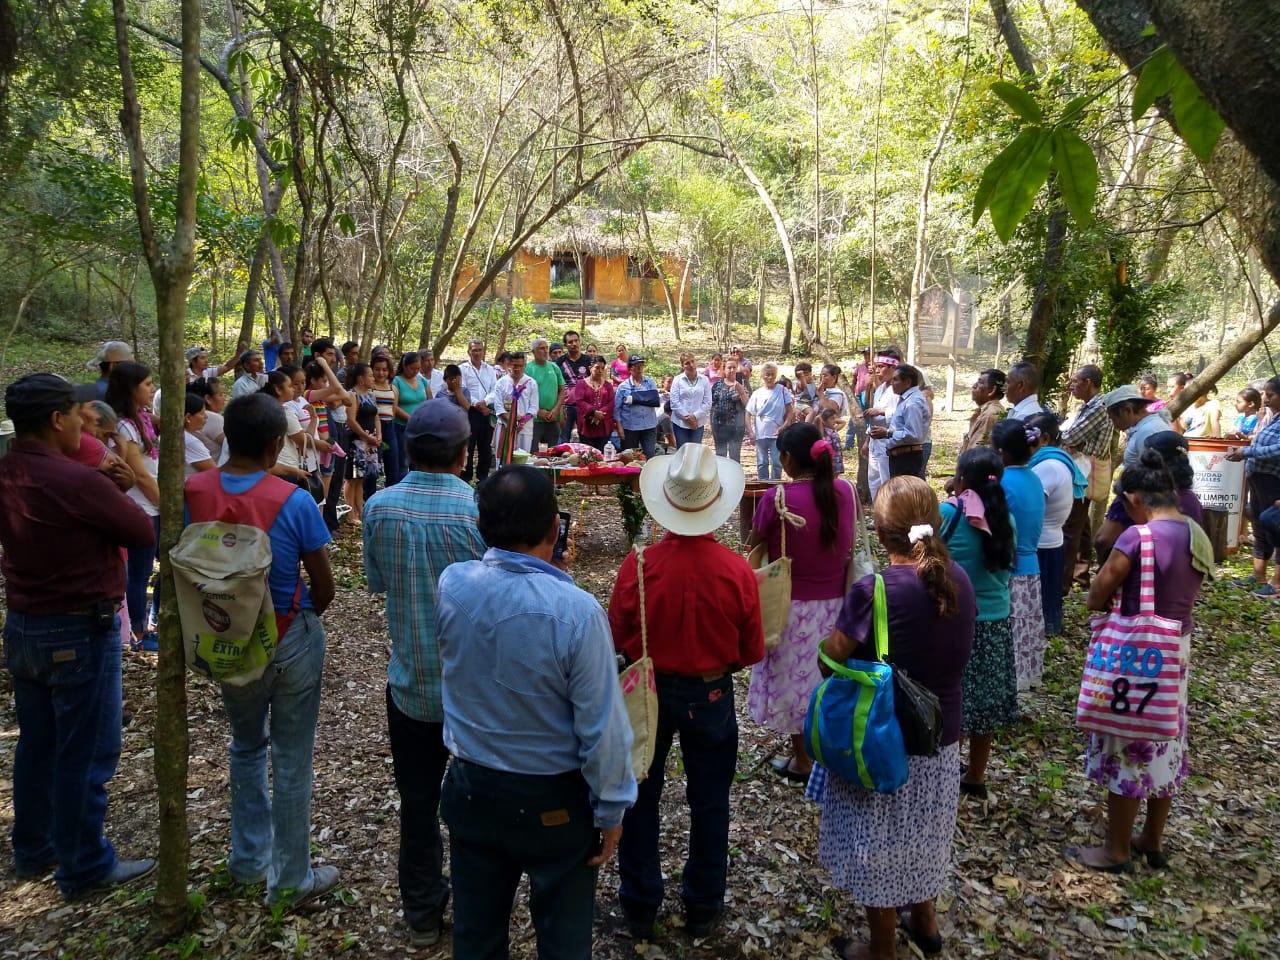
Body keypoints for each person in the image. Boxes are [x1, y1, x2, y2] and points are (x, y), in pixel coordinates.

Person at [436, 466, 637, 959]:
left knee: (476, 935)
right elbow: (601, 727)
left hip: (471, 785)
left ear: (481, 528)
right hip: (552, 797)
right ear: (555, 530)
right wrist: (612, 808)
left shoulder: (452, 583)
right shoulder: (576, 610)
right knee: (564, 939)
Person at [0, 374, 157, 899]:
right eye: (77, 414)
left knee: (38, 741)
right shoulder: (76, 479)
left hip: (23, 625)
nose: (85, 423)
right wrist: (115, 487)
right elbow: (140, 531)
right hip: (77, 627)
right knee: (87, 748)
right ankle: (83, 863)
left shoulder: (8, 471)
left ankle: (34, 848)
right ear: (56, 419)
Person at [808, 476, 974, 960]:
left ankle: (882, 949)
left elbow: (830, 659)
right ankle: (924, 919)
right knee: (925, 831)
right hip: (942, 736)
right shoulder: (957, 578)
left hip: (884, 738)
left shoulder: (874, 590)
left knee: (878, 841)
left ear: (879, 533)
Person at [609, 444, 763, 940]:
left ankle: (639, 903)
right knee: (711, 800)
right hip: (711, 695)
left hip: (649, 691)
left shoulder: (638, 566)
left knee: (640, 795)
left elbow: (617, 636)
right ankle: (702, 903)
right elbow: (750, 648)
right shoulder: (736, 570)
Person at [189, 393, 337, 905]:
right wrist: (306, 616)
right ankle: (292, 877)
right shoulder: (292, 501)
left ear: (226, 435)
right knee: (292, 758)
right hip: (287, 634)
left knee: (245, 744)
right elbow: (324, 583)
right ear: (278, 445)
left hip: (224, 637)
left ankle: (248, 859)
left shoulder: (192, 489)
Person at [363, 399, 485, 949]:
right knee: (477, 800)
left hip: (411, 683)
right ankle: (477, 907)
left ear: (409, 448)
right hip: (476, 690)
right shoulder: (479, 510)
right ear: (464, 455)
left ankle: (421, 909)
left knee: (417, 800)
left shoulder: (380, 508)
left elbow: (377, 582)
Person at [1073, 449, 1204, 872]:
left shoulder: (1137, 537)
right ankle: (1151, 838)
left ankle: (1115, 850)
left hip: (1136, 656)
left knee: (1129, 741)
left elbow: (1096, 596)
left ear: (1134, 498)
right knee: (1167, 736)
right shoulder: (1194, 532)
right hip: (1175, 650)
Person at [748, 422, 855, 780]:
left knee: (796, 685)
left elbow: (755, 542)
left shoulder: (777, 498)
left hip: (792, 606)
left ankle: (803, 760)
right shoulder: (845, 492)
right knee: (830, 679)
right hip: (839, 605)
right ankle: (829, 751)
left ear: (788, 459)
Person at [943, 449, 1017, 800]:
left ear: (960, 480)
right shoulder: (1006, 518)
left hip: (957, 620)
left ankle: (945, 769)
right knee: (984, 704)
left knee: (953, 696)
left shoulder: (948, 513)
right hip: (997, 622)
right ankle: (976, 775)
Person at [105, 361, 161, 651]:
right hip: (140, 506)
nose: (152, 389)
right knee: (138, 575)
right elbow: (138, 474)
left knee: (147, 572)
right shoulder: (124, 425)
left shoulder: (141, 417)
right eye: (148, 384)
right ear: (130, 389)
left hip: (150, 505)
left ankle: (145, 626)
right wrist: (163, 503)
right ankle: (138, 634)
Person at [992, 419, 1046, 692]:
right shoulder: (1034, 478)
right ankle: (1026, 675)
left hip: (1010, 569)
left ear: (1000, 452)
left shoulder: (1003, 483)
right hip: (1032, 567)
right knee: (1026, 629)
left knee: (1009, 628)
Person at [1026, 413, 1085, 637]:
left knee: (1039, 599)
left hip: (1042, 542)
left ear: (1045, 439)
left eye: (1030, 438)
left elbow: (1030, 506)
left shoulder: (1048, 466)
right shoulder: (1053, 461)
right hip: (1049, 539)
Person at [1060, 364, 1116, 592]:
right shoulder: (1086, 407)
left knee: (1071, 526)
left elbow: (1071, 435)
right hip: (1083, 468)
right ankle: (1081, 577)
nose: (1072, 385)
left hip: (1085, 472)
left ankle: (1062, 582)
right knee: (1081, 525)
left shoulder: (1098, 407)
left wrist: (1069, 441)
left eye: (1076, 381)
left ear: (1089, 383)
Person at [1094, 385, 1164, 559]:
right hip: (1132, 496)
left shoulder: (1149, 432)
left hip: (1138, 498)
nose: (1113, 424)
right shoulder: (1143, 428)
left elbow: (1155, 471)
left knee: (1104, 540)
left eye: (1113, 418)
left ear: (1127, 410)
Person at [1226, 375, 1280, 596]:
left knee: (1276, 527)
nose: (1265, 399)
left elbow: (1277, 449)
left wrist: (1246, 452)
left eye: (1270, 395)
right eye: (1265, 394)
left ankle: (1277, 583)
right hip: (1258, 480)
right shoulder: (1272, 418)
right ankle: (1258, 575)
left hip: (1274, 482)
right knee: (1258, 523)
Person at [868, 363, 930, 480]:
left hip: (907, 459)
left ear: (907, 382)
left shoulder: (912, 403)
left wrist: (887, 433)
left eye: (895, 380)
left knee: (904, 495)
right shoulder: (905, 400)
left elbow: (914, 435)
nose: (892, 383)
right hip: (899, 457)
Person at [260, 370, 313, 487]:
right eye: (290, 386)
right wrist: (313, 419)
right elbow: (303, 441)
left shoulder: (260, 409)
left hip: (268, 468)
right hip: (285, 467)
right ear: (278, 390)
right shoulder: (284, 412)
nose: (293, 389)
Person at [862, 349, 903, 499]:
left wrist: (881, 412)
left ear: (893, 368)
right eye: (876, 366)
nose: (877, 370)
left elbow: (902, 416)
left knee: (887, 482)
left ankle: (889, 517)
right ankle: (878, 515)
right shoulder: (879, 389)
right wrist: (867, 440)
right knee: (874, 481)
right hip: (874, 442)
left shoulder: (897, 391)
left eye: (881, 366)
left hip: (888, 442)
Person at [344, 362, 382, 517]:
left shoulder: (371, 394)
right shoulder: (352, 395)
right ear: (360, 378)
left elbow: (377, 417)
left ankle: (359, 509)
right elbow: (351, 420)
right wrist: (366, 437)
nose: (373, 378)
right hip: (356, 442)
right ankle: (350, 512)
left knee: (363, 477)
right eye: (370, 375)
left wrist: (379, 436)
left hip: (371, 442)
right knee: (352, 477)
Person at [745, 363, 794, 481]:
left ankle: (775, 484)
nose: (770, 377)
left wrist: (785, 425)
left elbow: (790, 410)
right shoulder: (757, 393)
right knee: (762, 462)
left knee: (777, 462)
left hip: (777, 433)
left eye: (772, 374)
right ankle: (763, 483)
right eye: (767, 374)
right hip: (760, 433)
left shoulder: (782, 390)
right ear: (762, 376)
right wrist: (750, 432)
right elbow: (748, 413)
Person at [460, 338, 498, 482]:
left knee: (485, 447)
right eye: (474, 350)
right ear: (469, 352)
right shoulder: (463, 369)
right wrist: (476, 403)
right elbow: (463, 389)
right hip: (470, 412)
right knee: (469, 446)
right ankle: (466, 477)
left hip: (486, 412)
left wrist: (485, 402)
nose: (477, 353)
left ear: (483, 351)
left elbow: (495, 389)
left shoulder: (490, 369)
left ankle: (483, 478)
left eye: (479, 350)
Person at [493, 351, 539, 463]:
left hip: (524, 428)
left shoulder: (531, 383)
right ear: (509, 364)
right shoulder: (501, 383)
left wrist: (521, 422)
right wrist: (511, 421)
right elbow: (498, 407)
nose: (516, 368)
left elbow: (534, 407)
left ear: (524, 366)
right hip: (505, 426)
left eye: (520, 366)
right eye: (514, 365)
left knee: (523, 459)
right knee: (503, 459)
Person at [614, 355, 660, 457]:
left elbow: (655, 400)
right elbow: (617, 410)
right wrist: (620, 428)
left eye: (641, 365)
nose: (639, 368)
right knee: (629, 456)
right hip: (630, 427)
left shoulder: (650, 382)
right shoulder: (623, 387)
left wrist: (634, 399)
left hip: (649, 425)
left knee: (649, 455)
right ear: (630, 368)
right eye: (636, 366)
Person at [526, 337, 567, 451]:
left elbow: (562, 390)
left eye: (546, 348)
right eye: (541, 348)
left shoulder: (554, 367)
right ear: (533, 351)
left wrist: (556, 410)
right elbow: (523, 395)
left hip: (553, 419)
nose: (545, 351)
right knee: (534, 453)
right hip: (534, 420)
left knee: (552, 453)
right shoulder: (528, 369)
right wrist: (538, 411)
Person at [556, 330, 593, 444]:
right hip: (566, 407)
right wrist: (559, 407)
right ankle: (562, 462)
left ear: (580, 342)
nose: (574, 344)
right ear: (566, 345)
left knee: (586, 441)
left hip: (584, 407)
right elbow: (557, 385)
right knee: (563, 441)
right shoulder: (560, 362)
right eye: (570, 342)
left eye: (576, 341)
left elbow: (596, 382)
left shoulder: (589, 360)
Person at [669, 351, 713, 448]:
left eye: (692, 361)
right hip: (680, 423)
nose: (691, 365)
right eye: (687, 363)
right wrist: (687, 418)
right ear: (682, 366)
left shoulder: (704, 380)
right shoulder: (677, 380)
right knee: (682, 451)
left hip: (698, 423)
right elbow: (674, 402)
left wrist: (695, 417)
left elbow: (708, 402)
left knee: (695, 452)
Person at [572, 355, 615, 452]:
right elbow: (579, 401)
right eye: (597, 367)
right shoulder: (581, 384)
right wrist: (593, 412)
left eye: (602, 368)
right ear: (590, 368)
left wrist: (600, 414)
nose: (600, 371)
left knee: (602, 458)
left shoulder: (608, 386)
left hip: (603, 426)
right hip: (586, 426)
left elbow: (611, 403)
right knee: (587, 456)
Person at [710, 358, 749, 462]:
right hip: (719, 426)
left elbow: (748, 406)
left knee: (734, 456)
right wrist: (712, 424)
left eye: (734, 367)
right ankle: (721, 477)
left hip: (737, 427)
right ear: (724, 369)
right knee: (720, 455)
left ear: (737, 369)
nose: (731, 370)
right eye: (729, 367)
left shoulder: (742, 384)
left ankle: (734, 477)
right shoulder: (717, 385)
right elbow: (711, 404)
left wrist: (741, 392)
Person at [959, 369, 1006, 455]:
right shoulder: (985, 412)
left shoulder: (990, 415)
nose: (974, 386)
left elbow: (977, 454)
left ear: (992, 391)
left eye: (980, 383)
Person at [371, 354, 401, 486]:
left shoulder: (393, 388)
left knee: (393, 468)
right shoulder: (369, 388)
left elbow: (393, 410)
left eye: (384, 369)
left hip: (390, 428)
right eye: (377, 369)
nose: (381, 373)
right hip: (373, 429)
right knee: (372, 468)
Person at [187, 378, 228, 462]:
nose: (224, 398)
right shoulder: (213, 418)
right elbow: (233, 446)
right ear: (208, 399)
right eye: (220, 395)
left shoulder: (193, 415)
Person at [181, 393, 216, 479]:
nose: (206, 416)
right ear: (188, 417)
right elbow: (215, 473)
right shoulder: (190, 441)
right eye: (202, 413)